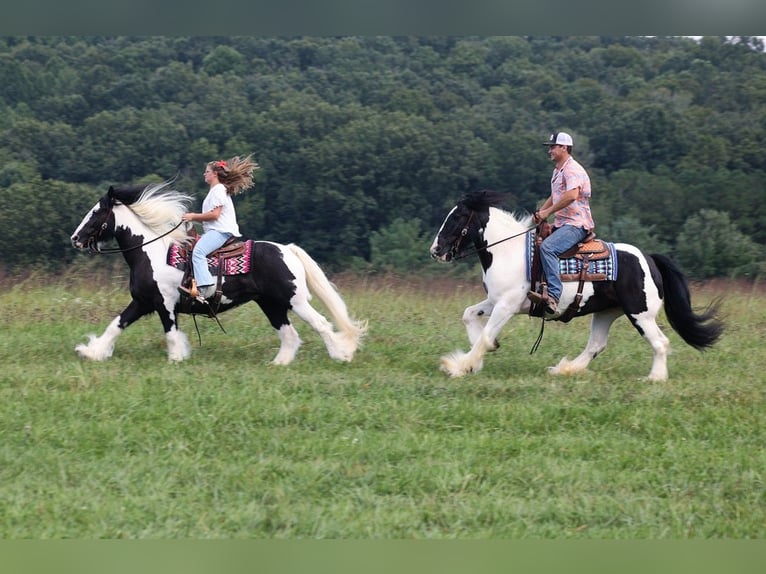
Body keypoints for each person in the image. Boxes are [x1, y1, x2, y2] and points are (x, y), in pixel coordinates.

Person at [527, 132, 594, 317]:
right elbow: (555, 195)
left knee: (547, 247)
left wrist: (548, 212)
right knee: (535, 243)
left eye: (552, 146)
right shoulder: (558, 170)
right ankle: (541, 286)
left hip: (576, 224)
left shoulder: (572, 170)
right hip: (563, 223)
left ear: (564, 148)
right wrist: (542, 211)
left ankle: (554, 296)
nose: (549, 150)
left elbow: (572, 195)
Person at [178, 154, 259, 301]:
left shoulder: (218, 189)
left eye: (207, 171)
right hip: (216, 231)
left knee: (198, 252)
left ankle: (205, 287)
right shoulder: (216, 190)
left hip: (220, 232)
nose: (204, 174)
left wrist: (193, 216)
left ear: (215, 174)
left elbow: (215, 215)